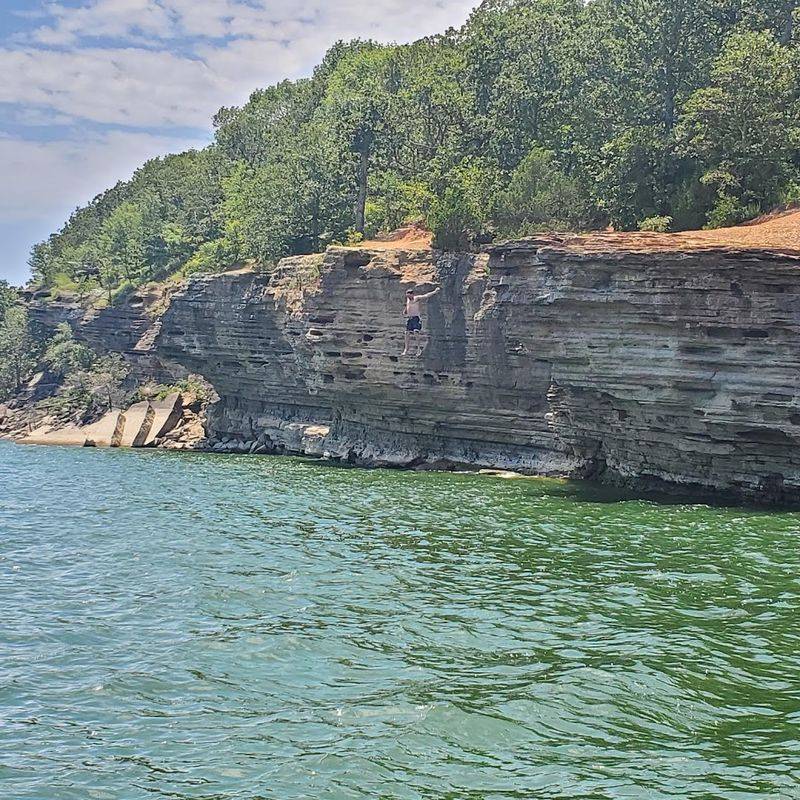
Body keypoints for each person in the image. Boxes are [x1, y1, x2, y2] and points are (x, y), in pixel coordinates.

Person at [402, 285, 440, 356]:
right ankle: (406, 349)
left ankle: (419, 349)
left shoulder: (417, 298)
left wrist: (434, 292)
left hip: (416, 318)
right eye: (407, 296)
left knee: (416, 332)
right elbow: (408, 305)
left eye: (409, 296)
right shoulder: (408, 300)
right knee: (406, 333)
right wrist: (405, 310)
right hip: (410, 318)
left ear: (412, 294)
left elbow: (426, 296)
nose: (408, 298)